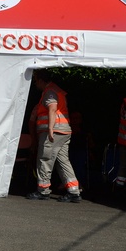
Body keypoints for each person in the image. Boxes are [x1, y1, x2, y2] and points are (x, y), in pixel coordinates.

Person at [26, 69, 81, 202]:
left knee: (44, 159)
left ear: (41, 80)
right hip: (63, 131)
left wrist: (50, 128)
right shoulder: (56, 90)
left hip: (53, 131)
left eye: (35, 81)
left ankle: (43, 190)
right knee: (63, 161)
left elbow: (52, 108)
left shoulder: (49, 91)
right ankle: (74, 191)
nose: (35, 84)